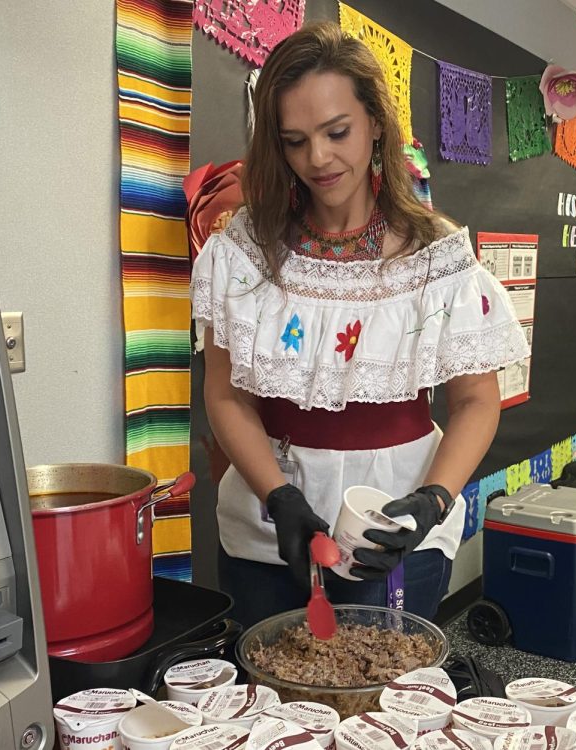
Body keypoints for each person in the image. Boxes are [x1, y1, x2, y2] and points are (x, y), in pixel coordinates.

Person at [190, 23, 528, 628]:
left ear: (376, 122)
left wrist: (435, 499)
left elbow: (478, 400)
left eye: (336, 132)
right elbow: (223, 392)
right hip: (271, 524)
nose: (317, 159)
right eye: (294, 141)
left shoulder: (437, 255)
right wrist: (278, 495)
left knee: (384, 696)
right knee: (271, 700)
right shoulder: (241, 251)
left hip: (397, 524)